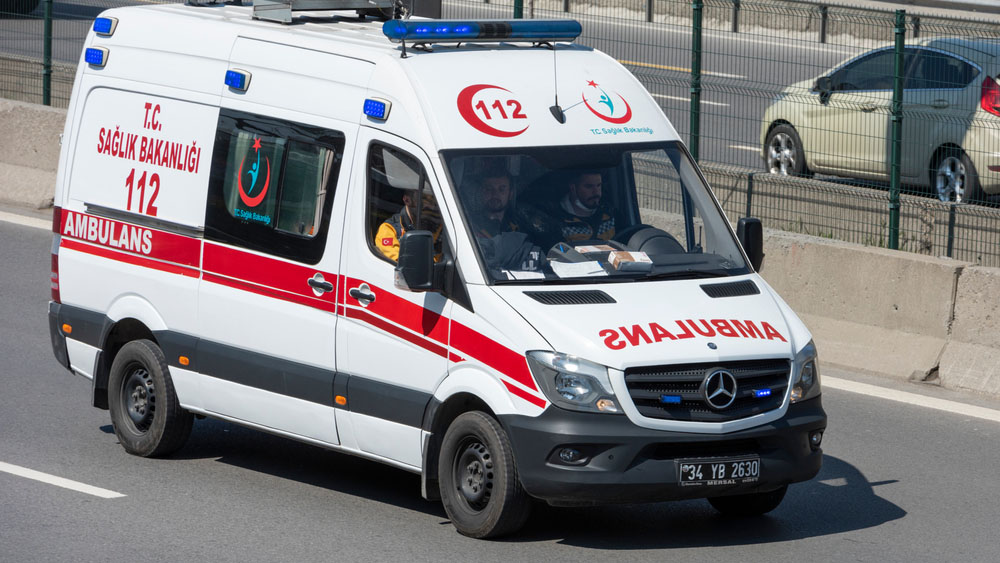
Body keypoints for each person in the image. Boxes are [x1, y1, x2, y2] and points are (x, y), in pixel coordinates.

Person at [374, 185, 442, 262]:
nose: (431, 206)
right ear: (407, 200)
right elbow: (403, 265)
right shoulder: (389, 229)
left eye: (433, 201)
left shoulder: (442, 228)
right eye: (424, 199)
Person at [550, 170, 616, 242]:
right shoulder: (557, 222)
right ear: (573, 188)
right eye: (589, 186)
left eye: (598, 185)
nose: (596, 192)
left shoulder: (610, 213)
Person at [469, 170, 520, 238]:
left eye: (501, 189)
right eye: (489, 189)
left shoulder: (519, 224)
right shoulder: (469, 224)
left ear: (510, 194)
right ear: (481, 193)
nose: (495, 194)